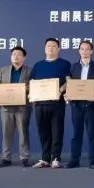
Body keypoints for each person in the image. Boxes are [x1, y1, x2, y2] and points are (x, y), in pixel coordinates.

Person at [31, 38, 72, 168]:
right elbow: (32, 82)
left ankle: (56, 158)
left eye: (54, 46)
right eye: (48, 46)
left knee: (57, 131)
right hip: (40, 104)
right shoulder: (38, 65)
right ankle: (45, 158)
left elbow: (69, 81)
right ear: (45, 48)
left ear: (58, 49)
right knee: (43, 132)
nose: (51, 48)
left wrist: (60, 90)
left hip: (56, 103)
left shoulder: (65, 64)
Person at [68, 40, 94, 169]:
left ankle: (93, 161)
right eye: (82, 49)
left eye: (87, 49)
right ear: (79, 51)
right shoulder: (73, 67)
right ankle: (74, 160)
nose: (84, 51)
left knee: (92, 134)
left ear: (91, 51)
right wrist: (69, 96)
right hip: (76, 105)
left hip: (91, 105)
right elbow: (70, 84)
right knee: (76, 134)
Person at [0, 46, 31, 168]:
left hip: (23, 106)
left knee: (23, 133)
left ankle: (24, 157)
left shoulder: (29, 71)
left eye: (19, 54)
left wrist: (23, 88)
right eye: (13, 54)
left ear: (24, 57)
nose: (16, 56)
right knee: (6, 133)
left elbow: (34, 86)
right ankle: (6, 158)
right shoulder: (3, 70)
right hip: (6, 107)